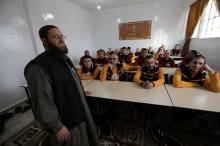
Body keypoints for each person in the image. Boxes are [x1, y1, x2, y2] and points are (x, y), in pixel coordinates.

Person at [24, 25, 100, 146]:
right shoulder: (38, 67)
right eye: (56, 37)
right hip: (68, 122)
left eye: (62, 36)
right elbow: (43, 100)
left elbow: (69, 82)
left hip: (80, 111)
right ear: (44, 41)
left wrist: (80, 91)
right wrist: (56, 126)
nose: (62, 40)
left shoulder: (63, 60)